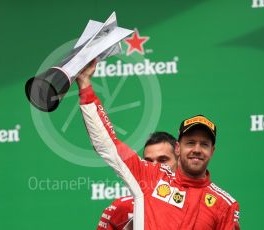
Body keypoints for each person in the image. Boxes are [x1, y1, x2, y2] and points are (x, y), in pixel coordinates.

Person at [76, 60, 240, 230]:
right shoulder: (150, 176)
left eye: (204, 144)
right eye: (190, 143)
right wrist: (85, 84)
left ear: (212, 151)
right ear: (178, 148)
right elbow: (108, 144)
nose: (197, 149)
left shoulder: (224, 204)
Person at [97, 132, 178, 230]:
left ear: (179, 162)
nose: (155, 166)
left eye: (163, 160)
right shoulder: (121, 208)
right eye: (148, 161)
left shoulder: (196, 200)